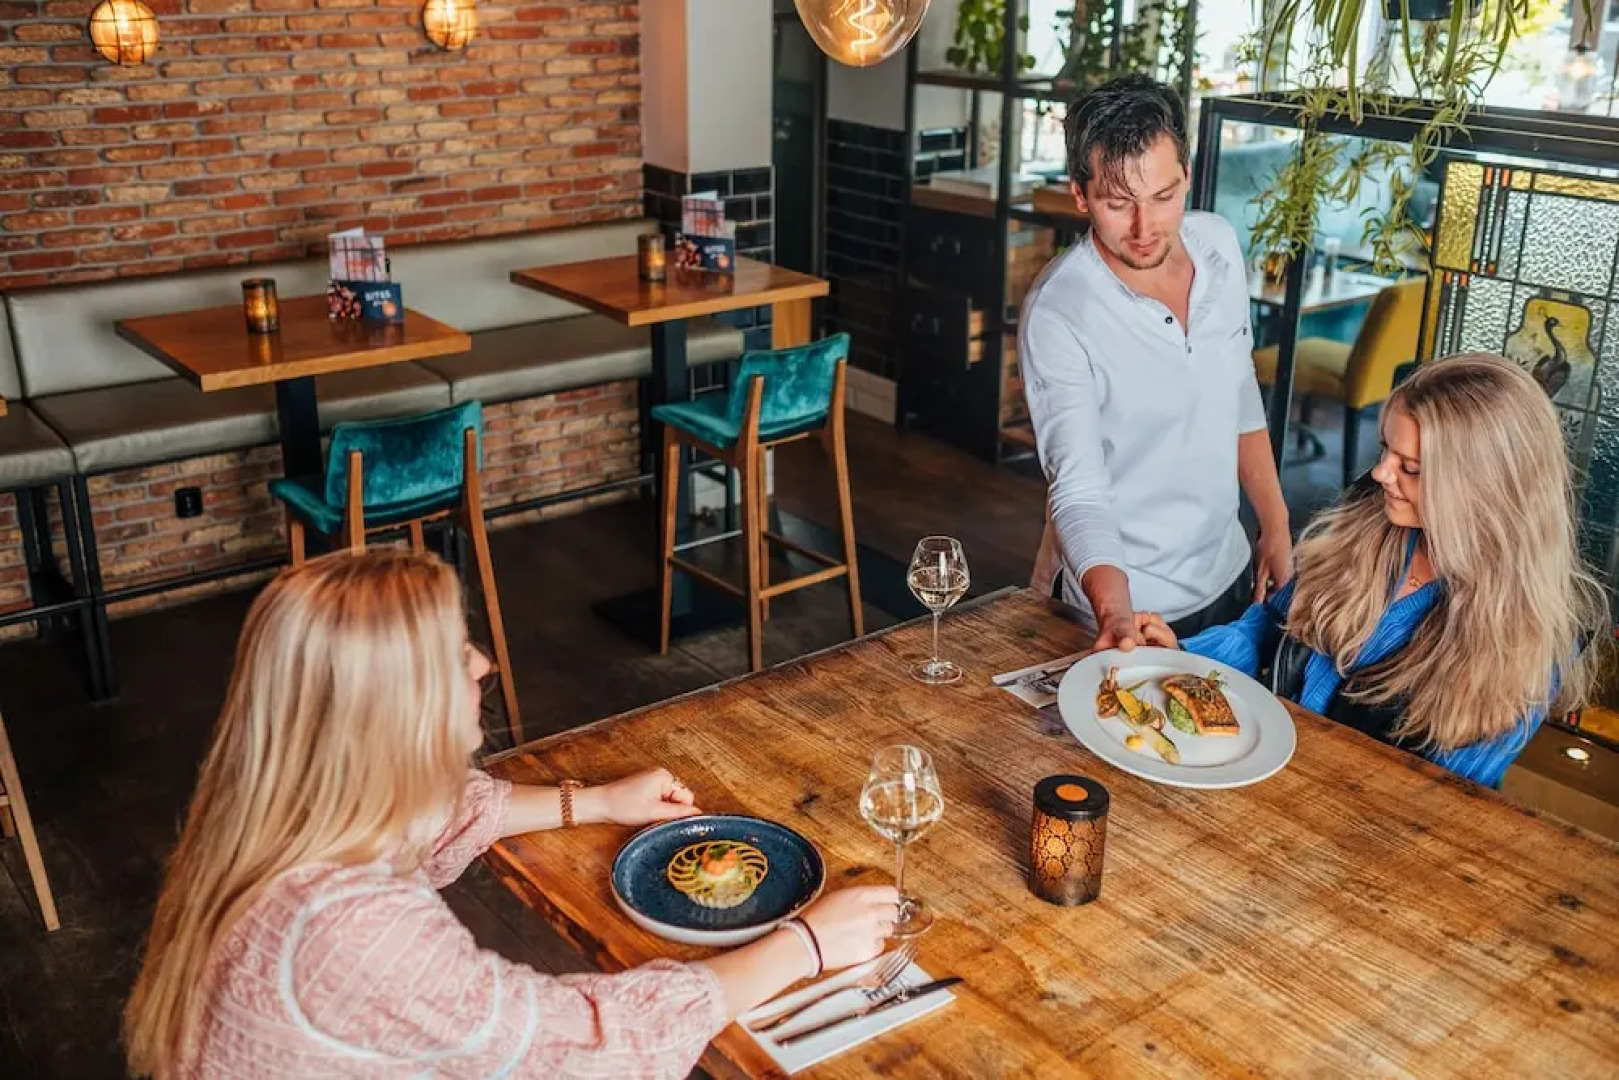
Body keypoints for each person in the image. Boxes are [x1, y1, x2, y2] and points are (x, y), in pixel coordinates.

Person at [124, 551, 898, 1079]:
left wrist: (593, 801)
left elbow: (435, 809)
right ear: (386, 707)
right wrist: (806, 944)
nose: (482, 665)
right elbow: (581, 1047)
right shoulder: (346, 924)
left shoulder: (267, 812)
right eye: (454, 654)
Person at [1132, 354, 1608, 789]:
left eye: (1412, 467)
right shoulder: (1365, 532)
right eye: (1385, 450)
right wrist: (1183, 655)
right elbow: (1268, 631)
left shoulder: (1520, 648)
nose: (1381, 473)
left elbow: (1444, 803)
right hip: (1259, 785)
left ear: (1482, 489)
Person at [1021, 74, 1292, 651]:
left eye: (1164, 197)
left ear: (1187, 176)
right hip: (1126, 604)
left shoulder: (1219, 244)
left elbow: (1238, 389)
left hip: (1230, 576)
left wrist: (1275, 520)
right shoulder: (1059, 310)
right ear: (1080, 195)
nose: (1145, 230)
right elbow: (1078, 489)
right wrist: (1115, 612)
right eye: (1118, 204)